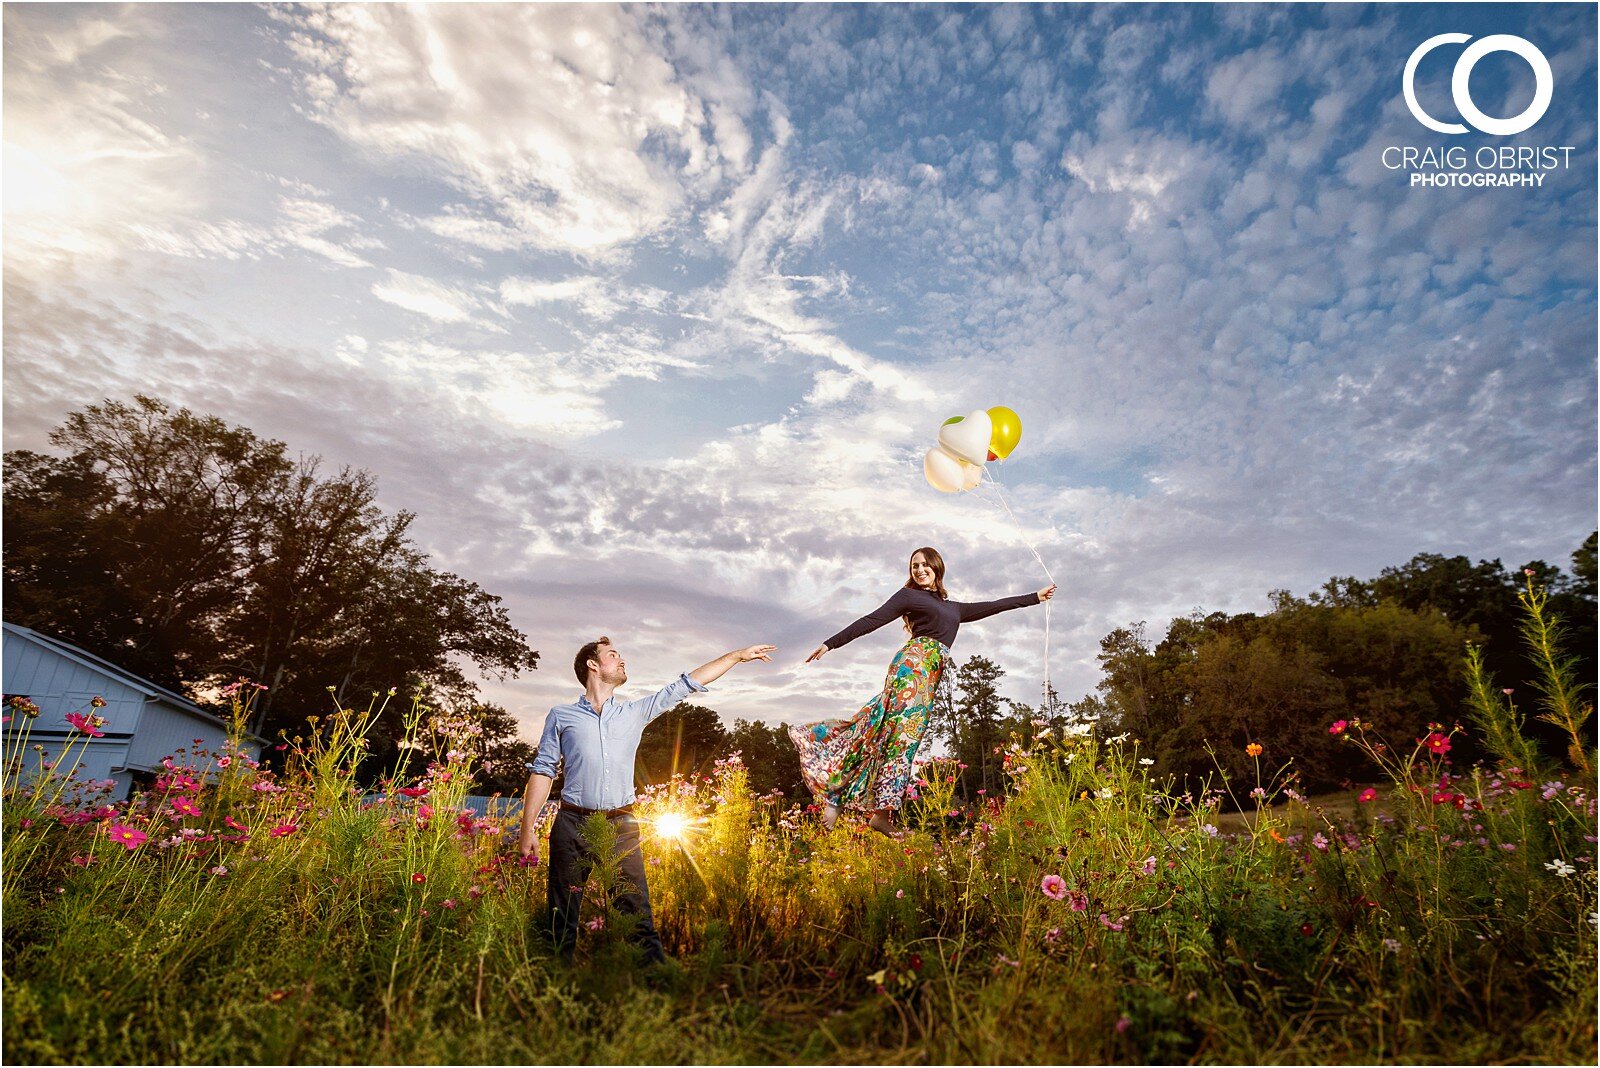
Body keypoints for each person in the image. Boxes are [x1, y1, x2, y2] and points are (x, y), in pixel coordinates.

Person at [517, 636, 775, 964]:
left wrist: (737, 655)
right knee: (561, 917)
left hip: (621, 826)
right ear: (592, 665)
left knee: (637, 914)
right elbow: (543, 771)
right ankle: (552, 988)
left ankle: (655, 985)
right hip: (572, 824)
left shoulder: (634, 712)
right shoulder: (562, 716)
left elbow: (687, 683)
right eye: (613, 655)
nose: (622, 660)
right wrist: (528, 829)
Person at [791, 547, 1054, 839]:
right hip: (911, 669)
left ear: (937, 568)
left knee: (888, 732)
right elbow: (871, 620)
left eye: (925, 564)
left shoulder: (954, 608)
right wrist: (831, 643)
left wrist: (1034, 597)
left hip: (928, 678)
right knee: (898, 736)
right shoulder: (908, 597)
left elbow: (994, 605)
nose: (919, 569)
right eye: (914, 565)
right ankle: (844, 801)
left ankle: (867, 809)